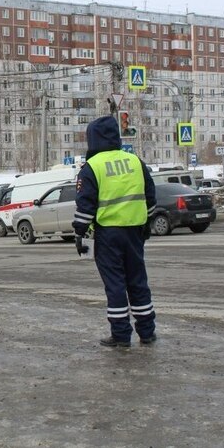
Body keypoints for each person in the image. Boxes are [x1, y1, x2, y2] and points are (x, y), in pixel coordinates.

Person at [72, 115, 157, 348]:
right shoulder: (135, 161)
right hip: (135, 231)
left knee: (116, 285)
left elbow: (85, 206)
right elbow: (150, 197)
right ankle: (147, 331)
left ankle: (121, 336)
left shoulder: (92, 167)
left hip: (108, 234)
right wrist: (146, 223)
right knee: (138, 281)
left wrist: (79, 234)